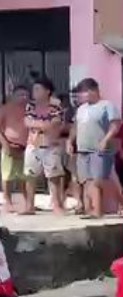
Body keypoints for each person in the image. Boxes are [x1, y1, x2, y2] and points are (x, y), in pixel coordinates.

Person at [67, 78, 122, 219]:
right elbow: (76, 127)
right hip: (82, 148)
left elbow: (115, 124)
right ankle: (89, 209)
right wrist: (70, 141)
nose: (80, 96)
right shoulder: (81, 109)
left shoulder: (106, 105)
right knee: (86, 180)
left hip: (99, 149)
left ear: (93, 91)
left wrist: (106, 139)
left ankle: (98, 210)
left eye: (83, 93)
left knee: (97, 180)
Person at [22, 78, 66, 215]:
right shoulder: (31, 106)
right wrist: (43, 124)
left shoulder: (56, 106)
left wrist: (38, 124)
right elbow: (27, 122)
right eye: (34, 89)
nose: (34, 92)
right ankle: (29, 205)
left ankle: (57, 205)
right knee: (30, 176)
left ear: (47, 91)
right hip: (33, 145)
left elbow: (54, 123)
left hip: (50, 145)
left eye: (38, 89)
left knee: (53, 176)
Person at [0, 86, 29, 214]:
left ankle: (27, 201)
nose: (24, 98)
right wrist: (5, 144)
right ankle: (8, 201)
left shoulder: (29, 109)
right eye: (20, 95)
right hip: (9, 145)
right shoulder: (5, 109)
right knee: (7, 176)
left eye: (26, 95)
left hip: (26, 147)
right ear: (13, 95)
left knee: (26, 176)